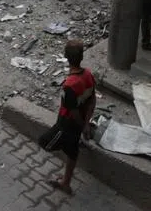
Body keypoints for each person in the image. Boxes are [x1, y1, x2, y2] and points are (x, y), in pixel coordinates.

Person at [39, 39, 96, 194]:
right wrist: (86, 123)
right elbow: (92, 100)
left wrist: (82, 126)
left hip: (67, 124)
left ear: (66, 57)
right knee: (72, 151)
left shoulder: (69, 85)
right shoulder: (88, 75)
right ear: (82, 57)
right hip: (81, 121)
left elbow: (73, 112)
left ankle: (66, 181)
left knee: (45, 142)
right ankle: (66, 182)